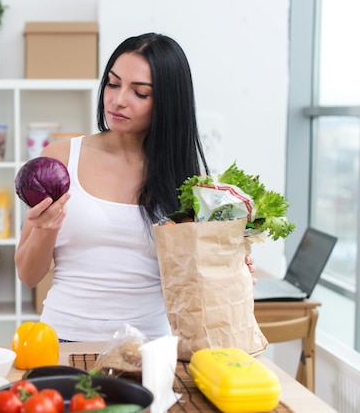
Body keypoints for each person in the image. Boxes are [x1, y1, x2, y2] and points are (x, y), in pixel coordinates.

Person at [14, 32, 254, 342]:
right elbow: (28, 275)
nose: (118, 100)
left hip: (151, 347)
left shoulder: (185, 179)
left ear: (167, 102)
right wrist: (45, 229)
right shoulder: (59, 161)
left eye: (140, 93)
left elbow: (192, 277)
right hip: (63, 340)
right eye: (113, 84)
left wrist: (229, 263)